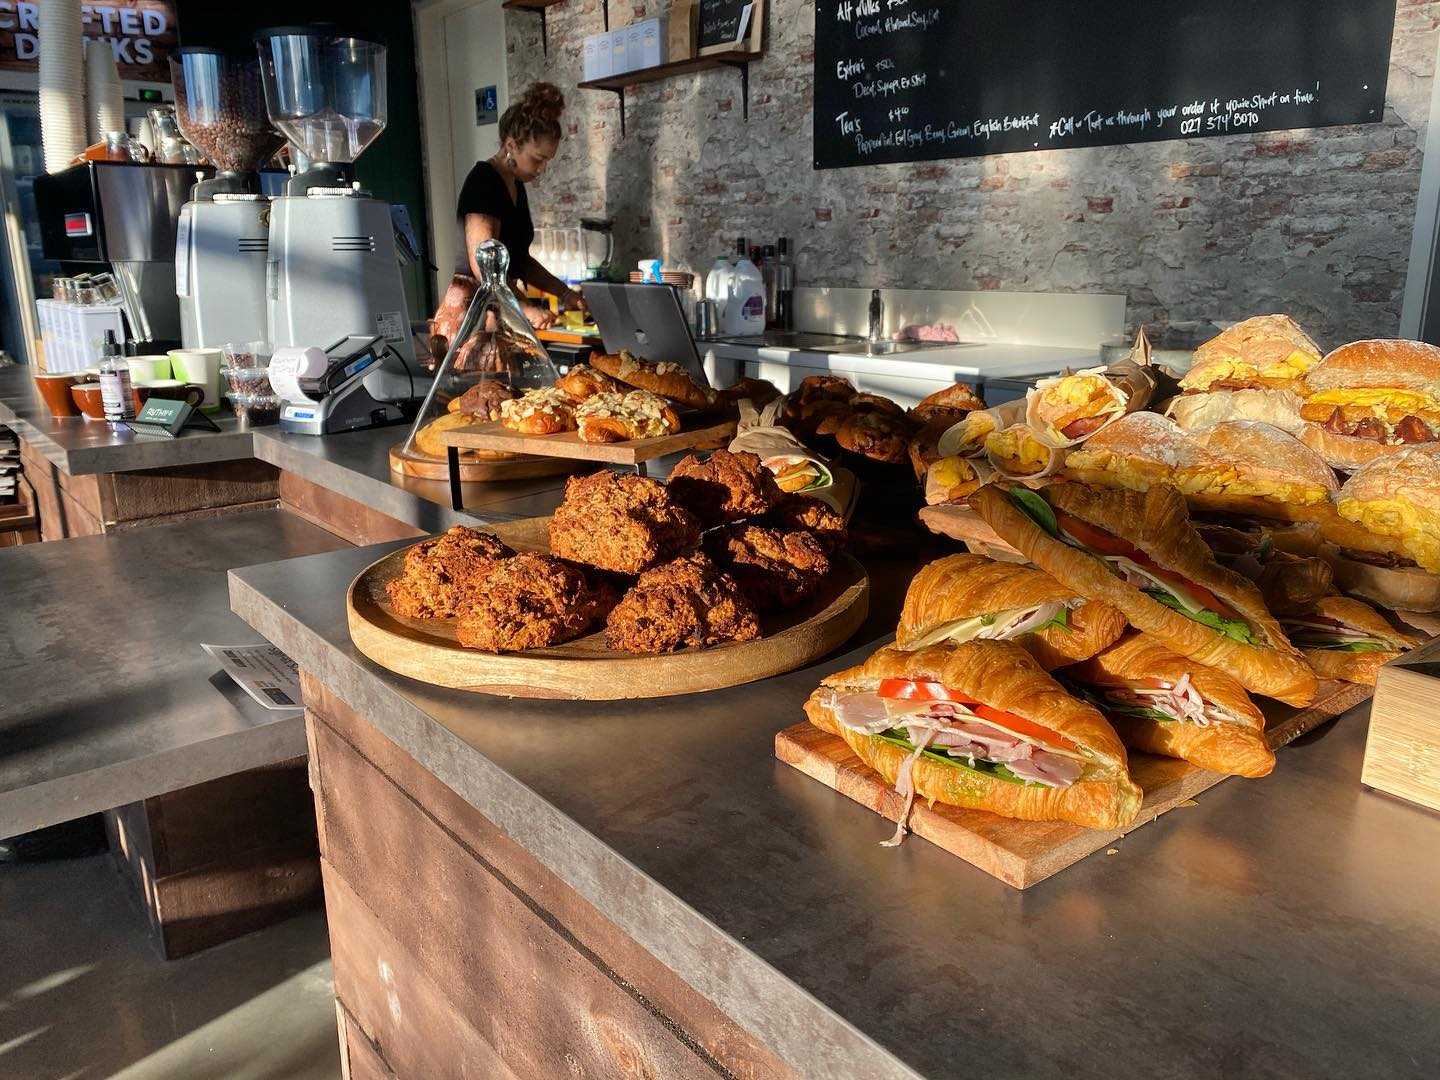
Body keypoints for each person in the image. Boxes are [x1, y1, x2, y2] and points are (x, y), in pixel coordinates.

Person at [456, 82, 581, 331]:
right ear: (511, 145)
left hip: (501, 308)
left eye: (547, 160)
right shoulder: (484, 181)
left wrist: (565, 293)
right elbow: (484, 266)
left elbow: (520, 261)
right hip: (475, 311)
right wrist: (523, 308)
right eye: (538, 159)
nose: (542, 169)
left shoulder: (516, 185)